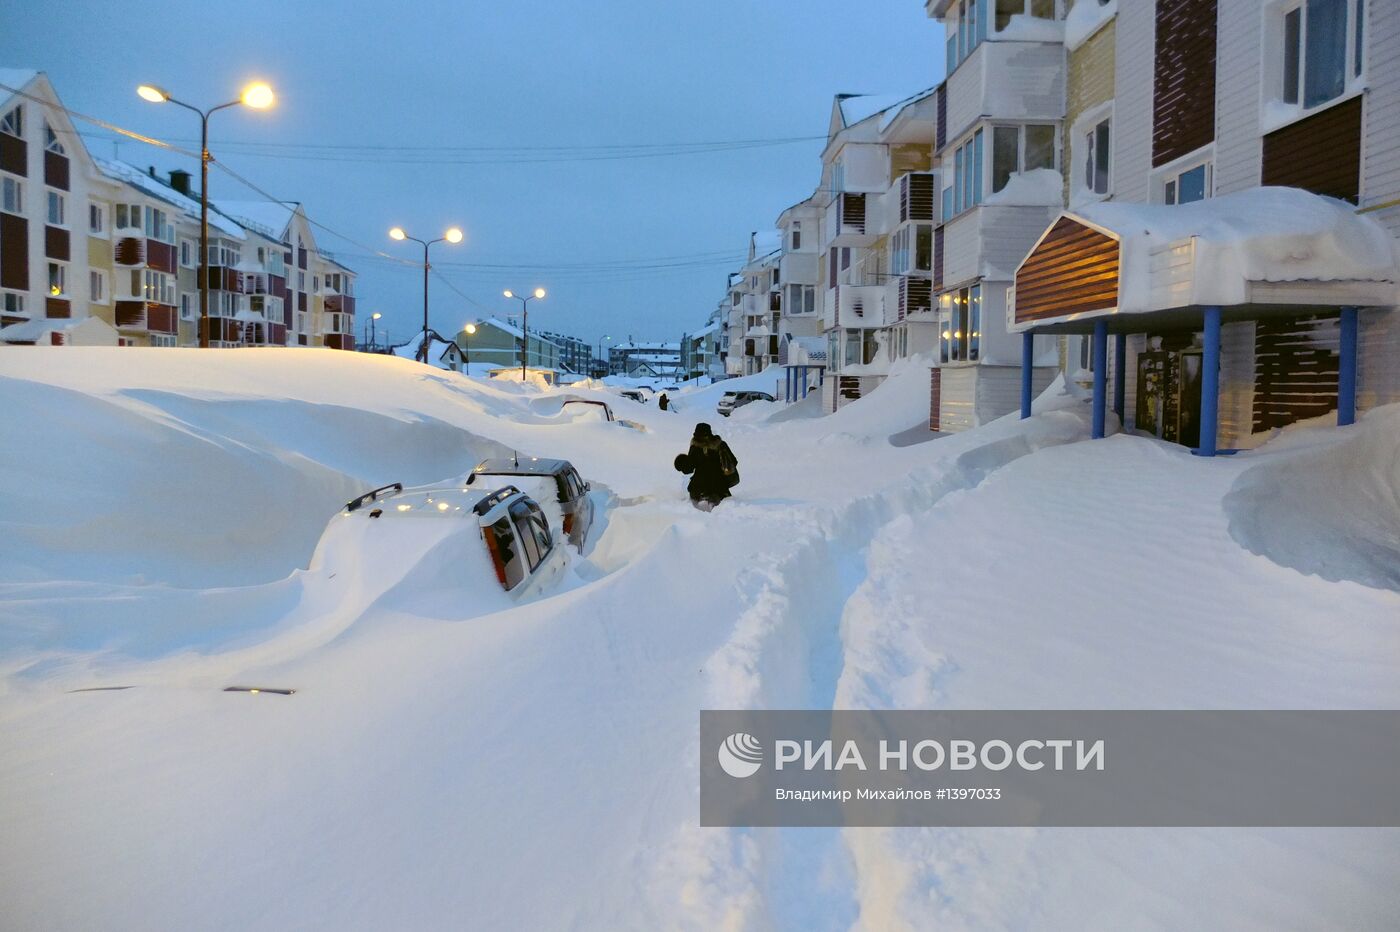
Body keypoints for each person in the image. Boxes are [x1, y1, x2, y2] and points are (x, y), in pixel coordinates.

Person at [675, 422, 738, 510]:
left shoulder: (696, 446)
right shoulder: (720, 445)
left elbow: (688, 468)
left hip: (699, 487)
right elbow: (734, 461)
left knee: (697, 507)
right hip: (718, 487)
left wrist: (681, 463)